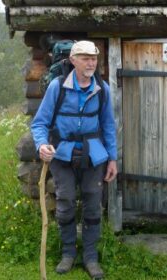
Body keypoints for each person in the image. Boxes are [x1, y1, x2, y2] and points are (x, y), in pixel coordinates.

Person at [31, 40, 117, 279]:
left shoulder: (102, 89)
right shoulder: (57, 88)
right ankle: (68, 253)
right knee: (66, 201)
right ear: (73, 60)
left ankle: (90, 258)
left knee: (92, 204)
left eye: (94, 58)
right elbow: (39, 123)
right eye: (85, 58)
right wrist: (42, 145)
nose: (91, 63)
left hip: (94, 156)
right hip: (63, 154)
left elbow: (109, 126)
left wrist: (113, 159)